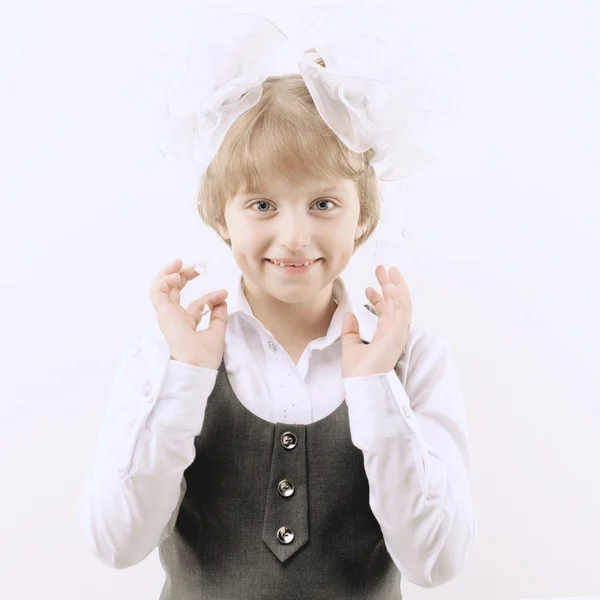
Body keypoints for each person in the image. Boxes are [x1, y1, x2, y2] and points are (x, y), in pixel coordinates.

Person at [76, 8, 476, 599]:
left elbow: (435, 562)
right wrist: (186, 379)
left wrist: (374, 389)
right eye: (262, 205)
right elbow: (116, 544)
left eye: (323, 204)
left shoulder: (413, 358)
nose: (293, 236)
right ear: (221, 217)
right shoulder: (163, 355)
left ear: (362, 213)